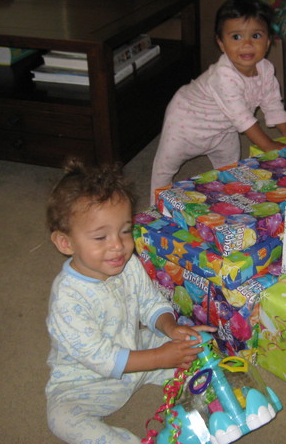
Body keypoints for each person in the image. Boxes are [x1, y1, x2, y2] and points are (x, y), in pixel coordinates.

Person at [44, 159, 215, 444]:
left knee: (192, 349)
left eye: (125, 230)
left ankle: (207, 406)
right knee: (61, 419)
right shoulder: (67, 298)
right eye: (101, 236)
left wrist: (171, 330)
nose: (118, 245)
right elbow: (101, 357)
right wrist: (162, 357)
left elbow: (150, 303)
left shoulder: (129, 264)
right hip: (83, 384)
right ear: (65, 243)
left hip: (137, 350)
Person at [149, 0, 286, 203]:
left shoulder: (266, 69)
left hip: (224, 129)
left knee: (230, 167)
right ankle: (153, 208)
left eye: (256, 36)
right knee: (164, 168)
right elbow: (243, 118)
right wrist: (268, 144)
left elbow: (271, 101)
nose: (247, 44)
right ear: (221, 43)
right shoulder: (224, 75)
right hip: (186, 123)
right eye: (236, 37)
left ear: (268, 41)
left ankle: (227, 198)